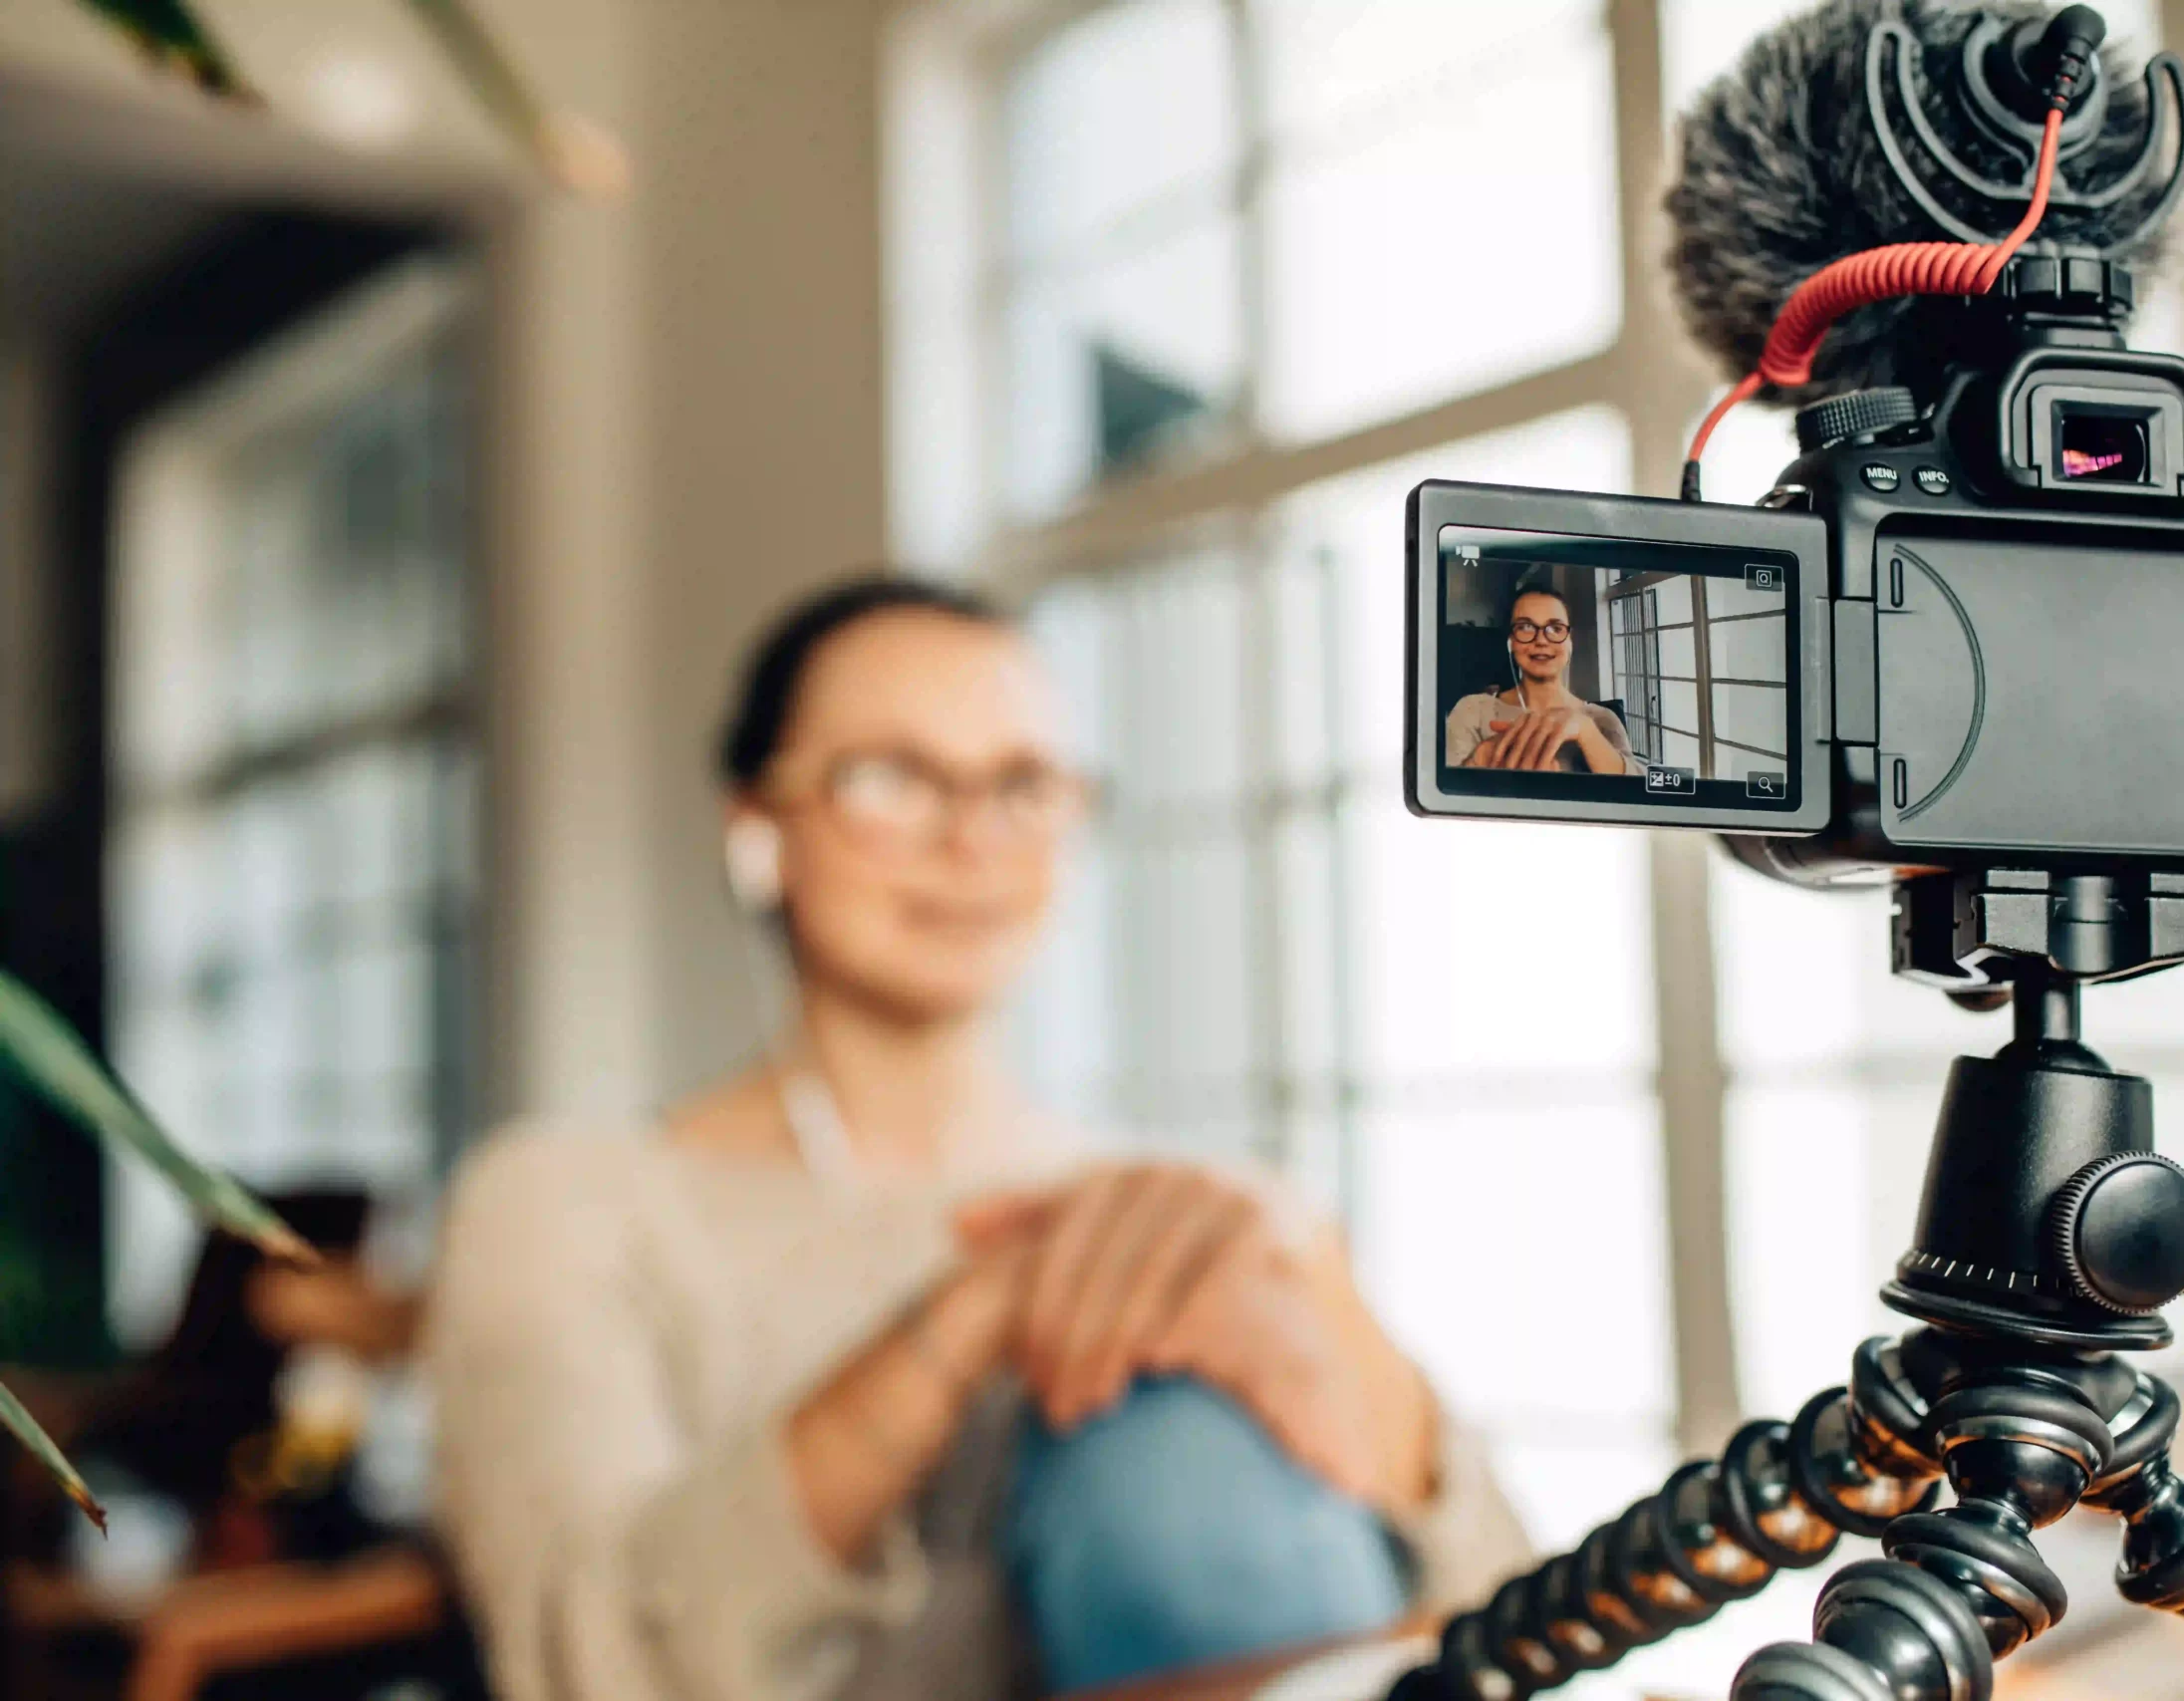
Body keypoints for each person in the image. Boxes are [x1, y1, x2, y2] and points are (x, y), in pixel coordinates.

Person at [424, 578, 1531, 1701]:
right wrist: (983, 1306)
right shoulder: (567, 1205)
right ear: (757, 822)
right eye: (891, 779)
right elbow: (588, 1665)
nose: (972, 838)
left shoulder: (1196, 1211)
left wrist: (1314, 1293)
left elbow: (1525, 1623)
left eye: (1023, 784)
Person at [1445, 581, 1641, 774]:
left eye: (1555, 628)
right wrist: (1477, 762)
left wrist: (1586, 731)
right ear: (1511, 641)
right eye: (1526, 627)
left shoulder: (1603, 720)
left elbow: (1639, 790)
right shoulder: (1473, 711)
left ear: (1570, 640)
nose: (1541, 640)